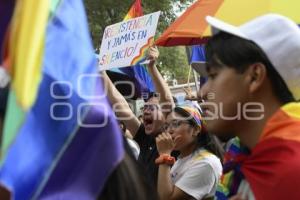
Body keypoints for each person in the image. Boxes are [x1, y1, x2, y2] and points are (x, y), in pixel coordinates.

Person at [194, 14, 300, 199]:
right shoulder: (248, 161)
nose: (202, 93)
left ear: (254, 76)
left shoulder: (292, 173)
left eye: (213, 75)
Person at [102, 46, 175, 186]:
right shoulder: (144, 138)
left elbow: (167, 103)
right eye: (144, 108)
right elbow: (120, 104)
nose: (145, 112)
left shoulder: (173, 141)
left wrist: (152, 67)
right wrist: (101, 72)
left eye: (152, 108)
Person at [156, 104, 223, 200]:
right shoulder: (182, 158)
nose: (169, 131)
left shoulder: (206, 163)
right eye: (166, 126)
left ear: (195, 130)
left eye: (176, 124)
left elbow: (166, 198)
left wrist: (164, 155)